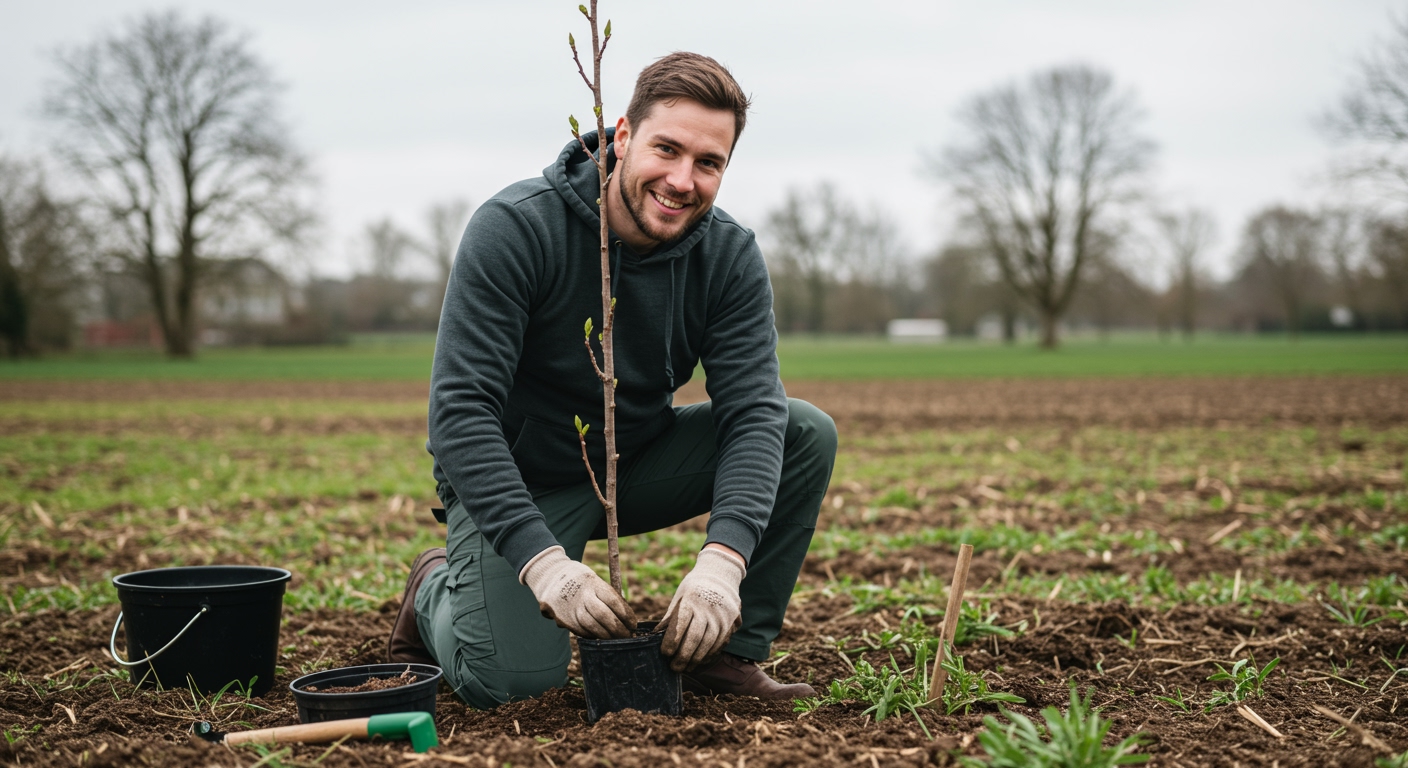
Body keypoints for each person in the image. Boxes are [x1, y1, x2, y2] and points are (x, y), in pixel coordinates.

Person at [387, 52, 837, 709]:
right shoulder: (516, 229)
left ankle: (726, 655)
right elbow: (461, 414)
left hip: (637, 465)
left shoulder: (728, 257)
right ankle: (433, 587)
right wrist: (542, 563)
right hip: (525, 480)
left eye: (709, 163)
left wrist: (723, 566)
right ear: (622, 136)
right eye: (668, 149)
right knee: (510, 686)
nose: (684, 180)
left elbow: (753, 416)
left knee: (802, 432)